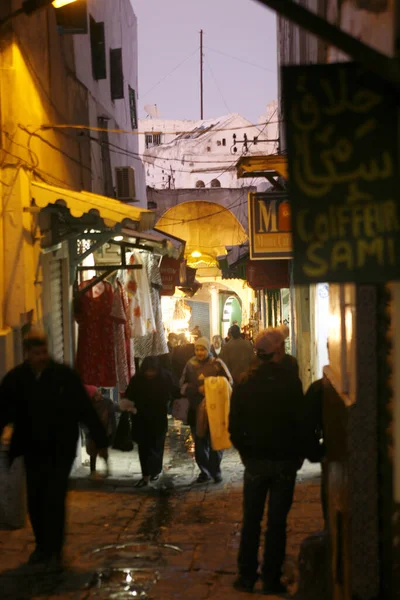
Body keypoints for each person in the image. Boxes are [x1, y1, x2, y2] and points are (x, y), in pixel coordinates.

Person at [0, 330, 108, 571]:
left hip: (60, 448)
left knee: (55, 497)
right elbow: (3, 411)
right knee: (36, 499)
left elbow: (84, 409)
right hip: (31, 448)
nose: (41, 357)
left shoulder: (63, 377)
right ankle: (42, 546)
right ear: (27, 354)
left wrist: (99, 440)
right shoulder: (17, 379)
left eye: (43, 352)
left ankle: (54, 549)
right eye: (36, 353)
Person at [229, 327, 312, 595]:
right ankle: (271, 578)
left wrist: (246, 453)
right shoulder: (290, 383)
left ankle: (246, 576)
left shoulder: (244, 382)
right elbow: (302, 424)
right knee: (277, 523)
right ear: (276, 351)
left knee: (251, 519)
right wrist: (301, 454)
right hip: (284, 463)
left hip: (255, 463)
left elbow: (234, 426)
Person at [181, 337, 232, 484]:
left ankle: (215, 470)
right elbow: (182, 385)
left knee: (217, 440)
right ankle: (204, 471)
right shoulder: (190, 365)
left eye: (202, 349)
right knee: (200, 441)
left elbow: (228, 382)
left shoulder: (217, 364)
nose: (199, 352)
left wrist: (211, 386)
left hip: (216, 410)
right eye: (197, 349)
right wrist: (196, 389)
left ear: (208, 349)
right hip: (196, 409)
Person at [124, 357, 180, 488]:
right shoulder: (137, 380)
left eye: (152, 371)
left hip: (158, 417)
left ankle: (155, 470)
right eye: (147, 371)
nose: (150, 374)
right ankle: (145, 475)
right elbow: (129, 395)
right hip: (140, 417)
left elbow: (176, 391)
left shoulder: (165, 377)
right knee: (143, 446)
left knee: (157, 445)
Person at [84, 386, 116, 479]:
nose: (96, 395)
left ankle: (107, 470)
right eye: (94, 394)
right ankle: (93, 471)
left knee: (103, 452)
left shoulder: (107, 402)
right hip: (92, 431)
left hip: (103, 430)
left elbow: (112, 416)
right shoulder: (89, 403)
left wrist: (111, 431)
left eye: (97, 392)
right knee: (92, 452)